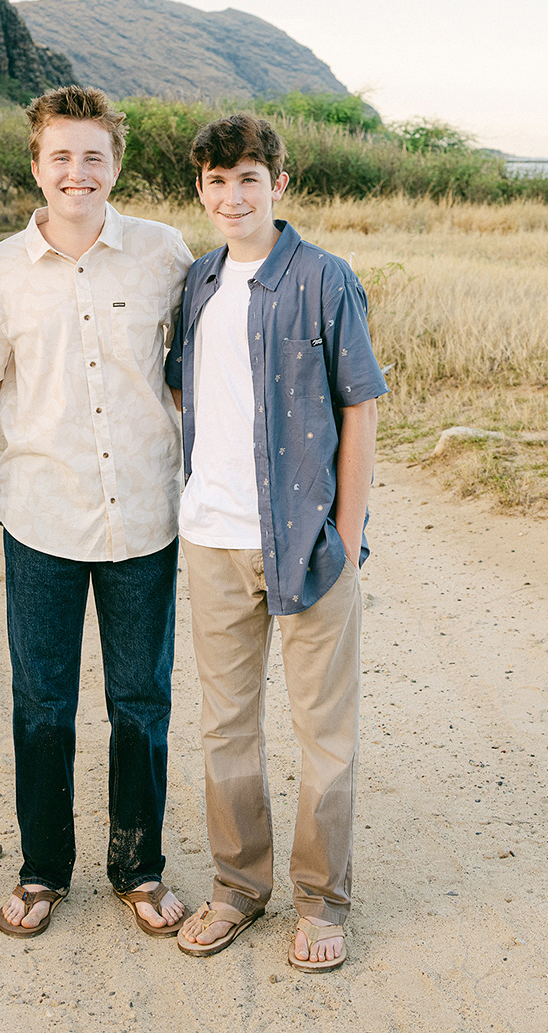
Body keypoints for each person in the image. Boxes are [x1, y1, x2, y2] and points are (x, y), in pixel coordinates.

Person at [0, 85, 194, 939]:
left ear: (115, 165)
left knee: (141, 700)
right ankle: (42, 870)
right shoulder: (0, 270)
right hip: (41, 515)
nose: (77, 171)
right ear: (36, 165)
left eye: (93, 156)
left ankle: (138, 865)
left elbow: (193, 370)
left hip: (145, 517)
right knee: (42, 702)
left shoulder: (164, 253)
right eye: (61, 156)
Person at [168, 114, 386, 969]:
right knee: (226, 726)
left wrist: (349, 532)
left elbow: (359, 408)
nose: (233, 196)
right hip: (213, 542)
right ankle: (238, 888)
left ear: (279, 186)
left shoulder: (327, 279)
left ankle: (322, 902)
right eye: (217, 183)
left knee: (323, 730)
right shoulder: (197, 283)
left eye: (249, 179)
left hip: (307, 542)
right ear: (202, 191)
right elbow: (189, 395)